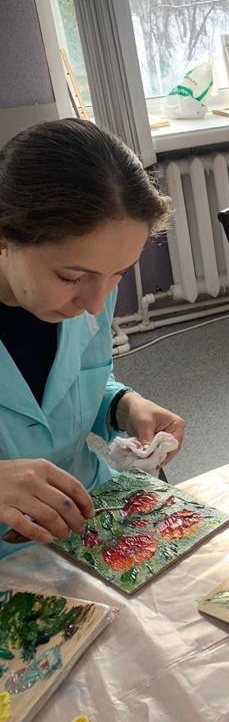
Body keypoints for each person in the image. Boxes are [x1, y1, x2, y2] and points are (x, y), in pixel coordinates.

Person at [0, 118, 185, 553]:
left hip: (90, 509)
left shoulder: (91, 287)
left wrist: (123, 405)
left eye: (118, 273)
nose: (96, 304)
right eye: (70, 277)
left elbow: (77, 381)